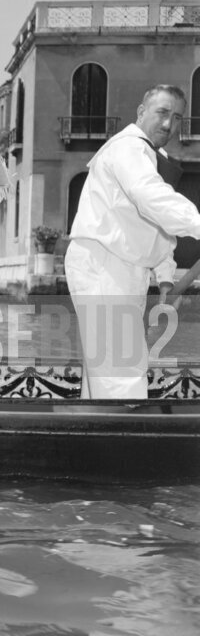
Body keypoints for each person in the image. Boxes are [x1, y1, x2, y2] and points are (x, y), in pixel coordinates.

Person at [65, 84, 200, 400]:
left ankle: (96, 440)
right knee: (121, 373)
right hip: (105, 265)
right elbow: (152, 199)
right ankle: (119, 443)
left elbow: (157, 226)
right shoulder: (128, 149)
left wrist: (166, 279)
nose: (169, 124)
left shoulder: (153, 157)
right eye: (162, 113)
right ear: (142, 111)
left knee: (110, 371)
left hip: (124, 270)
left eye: (177, 117)